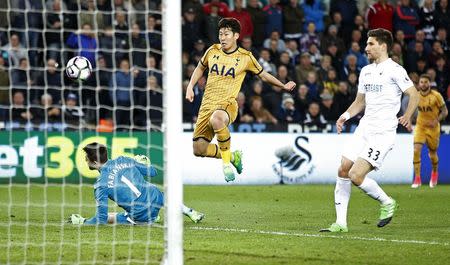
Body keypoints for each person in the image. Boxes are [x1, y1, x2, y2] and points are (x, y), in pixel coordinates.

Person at [320, 28, 419, 233]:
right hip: (364, 128)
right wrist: (345, 116)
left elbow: (414, 94)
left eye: (370, 44)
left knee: (356, 175)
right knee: (343, 169)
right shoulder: (366, 71)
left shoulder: (395, 70)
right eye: (366, 44)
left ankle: (387, 202)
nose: (366, 48)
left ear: (383, 46)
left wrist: (407, 115)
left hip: (382, 133)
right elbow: (360, 101)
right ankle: (340, 223)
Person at [185, 18, 295, 182]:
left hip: (227, 105)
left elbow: (263, 75)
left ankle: (226, 164)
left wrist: (282, 85)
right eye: (220, 34)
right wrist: (190, 86)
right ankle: (233, 156)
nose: (222, 37)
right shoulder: (212, 51)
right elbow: (201, 67)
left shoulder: (245, 57)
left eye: (226, 34)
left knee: (217, 119)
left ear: (236, 36)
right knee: (199, 149)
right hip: (206, 106)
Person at [68, 142, 204, 225]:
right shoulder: (124, 159)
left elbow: (101, 219)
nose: (86, 161)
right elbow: (153, 172)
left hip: (141, 216)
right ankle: (189, 211)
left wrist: (83, 221)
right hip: (156, 198)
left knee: (113, 216)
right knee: (158, 193)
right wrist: (143, 163)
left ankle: (81, 220)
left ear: (95, 163)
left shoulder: (100, 185)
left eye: (87, 159)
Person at [411, 74, 448, 188]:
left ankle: (435, 173)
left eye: (425, 82)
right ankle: (417, 179)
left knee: (432, 154)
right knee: (416, 150)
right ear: (419, 84)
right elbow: (411, 109)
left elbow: (445, 111)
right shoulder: (416, 96)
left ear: (429, 83)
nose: (423, 84)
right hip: (420, 126)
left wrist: (436, 120)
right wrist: (408, 120)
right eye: (421, 82)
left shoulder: (436, 96)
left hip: (433, 128)